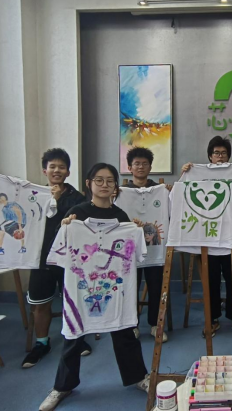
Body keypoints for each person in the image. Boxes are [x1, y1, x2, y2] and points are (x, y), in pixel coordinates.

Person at [39, 163, 149, 411]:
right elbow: (59, 250)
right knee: (73, 334)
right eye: (99, 180)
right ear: (89, 184)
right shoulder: (76, 214)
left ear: (115, 186)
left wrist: (136, 230)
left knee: (125, 330)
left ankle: (139, 377)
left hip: (114, 289)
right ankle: (62, 386)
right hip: (82, 289)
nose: (104, 185)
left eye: (110, 181)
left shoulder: (121, 217)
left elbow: (133, 251)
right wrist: (65, 226)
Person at [0, 149, 90, 369]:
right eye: (52, 166)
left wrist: (57, 201)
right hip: (40, 259)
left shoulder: (78, 198)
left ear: (68, 172)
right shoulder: (34, 195)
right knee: (41, 304)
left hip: (69, 259)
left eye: (61, 167)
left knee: (74, 300)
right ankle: (42, 343)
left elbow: (79, 223)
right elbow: (5, 200)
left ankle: (76, 338)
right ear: (44, 170)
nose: (57, 170)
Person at [181, 136, 232, 339]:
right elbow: (183, 197)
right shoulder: (197, 173)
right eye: (216, 153)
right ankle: (212, 319)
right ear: (210, 156)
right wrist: (185, 173)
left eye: (224, 153)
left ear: (229, 156)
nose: (220, 157)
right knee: (210, 282)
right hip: (208, 238)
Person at [121, 147, 167, 342]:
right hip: (129, 250)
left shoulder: (161, 191)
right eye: (137, 164)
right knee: (130, 288)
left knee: (156, 287)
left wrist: (169, 192)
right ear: (130, 167)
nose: (140, 167)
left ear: (150, 167)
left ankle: (156, 324)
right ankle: (132, 325)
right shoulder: (120, 192)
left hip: (155, 249)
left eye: (144, 163)